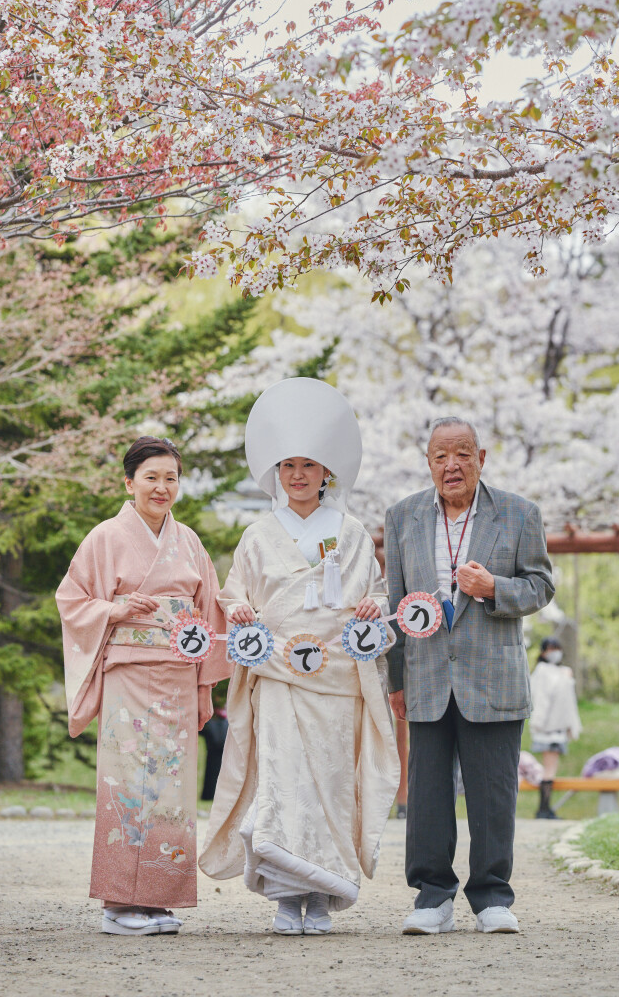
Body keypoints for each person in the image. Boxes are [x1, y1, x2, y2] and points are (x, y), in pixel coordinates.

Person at [199, 378, 399, 936]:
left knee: (330, 784)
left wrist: (372, 607)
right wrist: (238, 608)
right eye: (288, 465)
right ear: (277, 473)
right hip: (278, 676)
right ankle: (287, 896)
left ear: (326, 472)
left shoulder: (352, 534)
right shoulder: (258, 534)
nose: (298, 475)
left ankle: (324, 895)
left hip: (336, 677)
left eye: (309, 465)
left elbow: (376, 595)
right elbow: (233, 591)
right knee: (282, 783)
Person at [385, 416, 554, 935]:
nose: (451, 465)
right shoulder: (403, 516)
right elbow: (396, 603)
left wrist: (494, 587)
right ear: (429, 463)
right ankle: (432, 897)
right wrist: (396, 681)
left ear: (481, 458)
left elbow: (541, 586)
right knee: (427, 796)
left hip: (494, 677)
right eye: (440, 456)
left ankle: (492, 898)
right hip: (426, 676)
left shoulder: (520, 513)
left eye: (462, 453)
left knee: (493, 796)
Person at [56, 436, 230, 936]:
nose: (161, 487)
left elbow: (209, 613)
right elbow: (71, 600)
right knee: (127, 782)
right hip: (128, 673)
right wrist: (115, 609)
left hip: (179, 675)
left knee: (172, 787)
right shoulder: (105, 537)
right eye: (151, 477)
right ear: (129, 482)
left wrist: (205, 688)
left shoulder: (188, 541)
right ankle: (118, 904)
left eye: (171, 478)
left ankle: (157, 899)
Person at [529, 637, 582, 819]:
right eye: (551, 649)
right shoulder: (543, 671)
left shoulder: (559, 671)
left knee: (551, 769)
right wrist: (538, 724)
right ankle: (544, 809)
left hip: (557, 729)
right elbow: (541, 700)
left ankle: (545, 808)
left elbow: (567, 703)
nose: (555, 653)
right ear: (543, 652)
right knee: (549, 770)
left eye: (557, 648)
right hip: (548, 730)